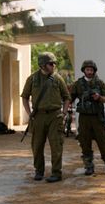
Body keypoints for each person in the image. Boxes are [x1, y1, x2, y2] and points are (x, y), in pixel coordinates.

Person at [21, 52, 71, 182]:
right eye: (50, 63)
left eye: (54, 63)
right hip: (38, 116)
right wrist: (29, 113)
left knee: (56, 145)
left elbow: (67, 98)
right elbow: (25, 97)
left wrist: (64, 113)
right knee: (37, 146)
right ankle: (39, 171)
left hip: (55, 116)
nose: (53, 65)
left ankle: (56, 173)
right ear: (42, 65)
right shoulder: (32, 79)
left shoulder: (58, 79)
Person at [71, 59, 105, 175]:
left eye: (91, 70)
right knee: (85, 142)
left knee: (103, 141)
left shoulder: (100, 83)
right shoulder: (78, 84)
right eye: (87, 69)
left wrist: (99, 98)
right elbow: (71, 98)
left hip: (97, 117)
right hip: (84, 118)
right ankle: (89, 166)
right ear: (84, 71)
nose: (89, 72)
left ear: (94, 71)